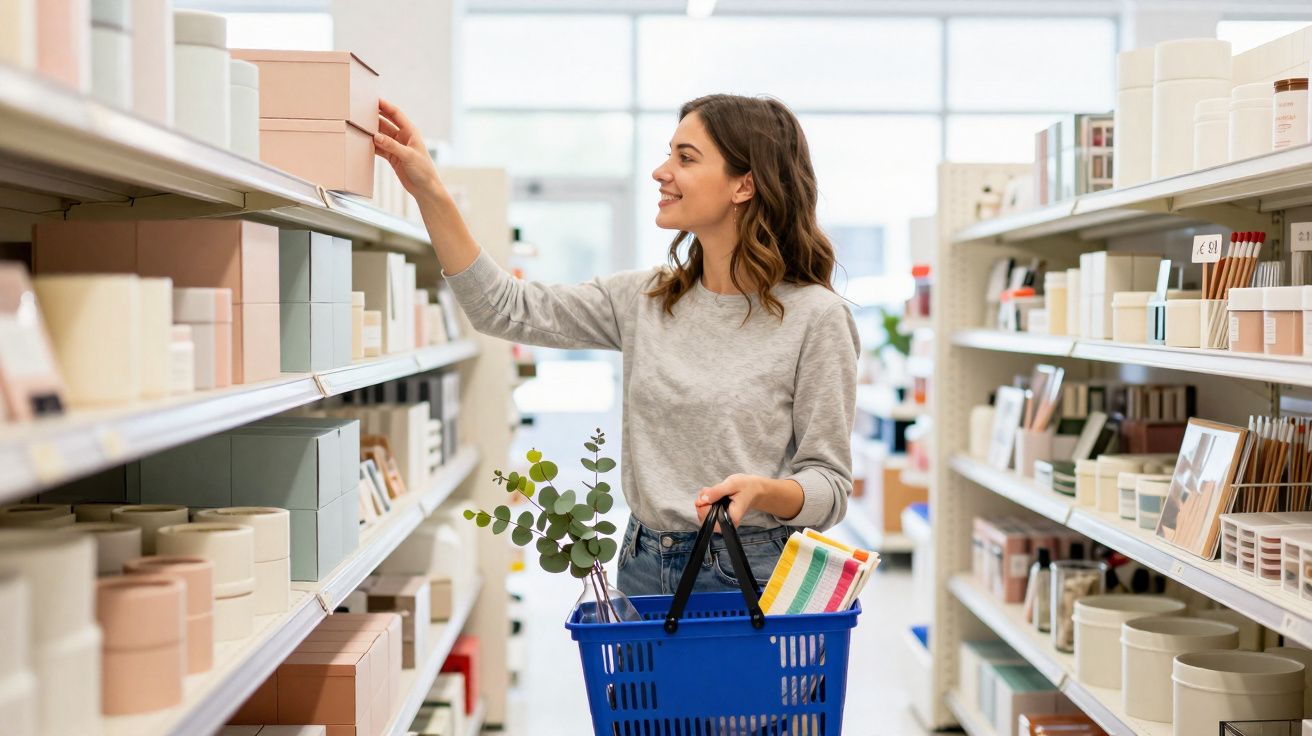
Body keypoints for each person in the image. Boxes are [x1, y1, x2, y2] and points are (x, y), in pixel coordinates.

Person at [373, 93, 858, 598]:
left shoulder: (816, 318)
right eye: (669, 154)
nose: (660, 172)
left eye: (685, 158)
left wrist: (764, 490)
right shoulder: (645, 299)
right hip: (642, 563)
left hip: (749, 571)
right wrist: (428, 189)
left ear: (744, 185)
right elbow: (502, 307)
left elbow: (829, 484)